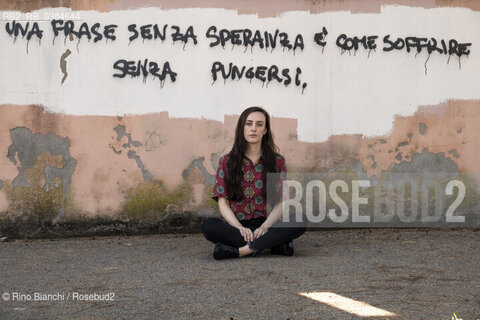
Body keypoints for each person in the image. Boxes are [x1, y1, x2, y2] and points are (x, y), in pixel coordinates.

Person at [202, 106, 307, 260]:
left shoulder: (277, 162)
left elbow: (280, 203)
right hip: (238, 227)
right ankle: (274, 244)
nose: (253, 129)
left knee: (300, 219)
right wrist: (239, 227)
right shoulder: (227, 161)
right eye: (248, 124)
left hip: (266, 225)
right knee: (209, 226)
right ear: (242, 128)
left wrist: (265, 227)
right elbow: (222, 202)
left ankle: (240, 251)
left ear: (265, 130)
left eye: (259, 124)